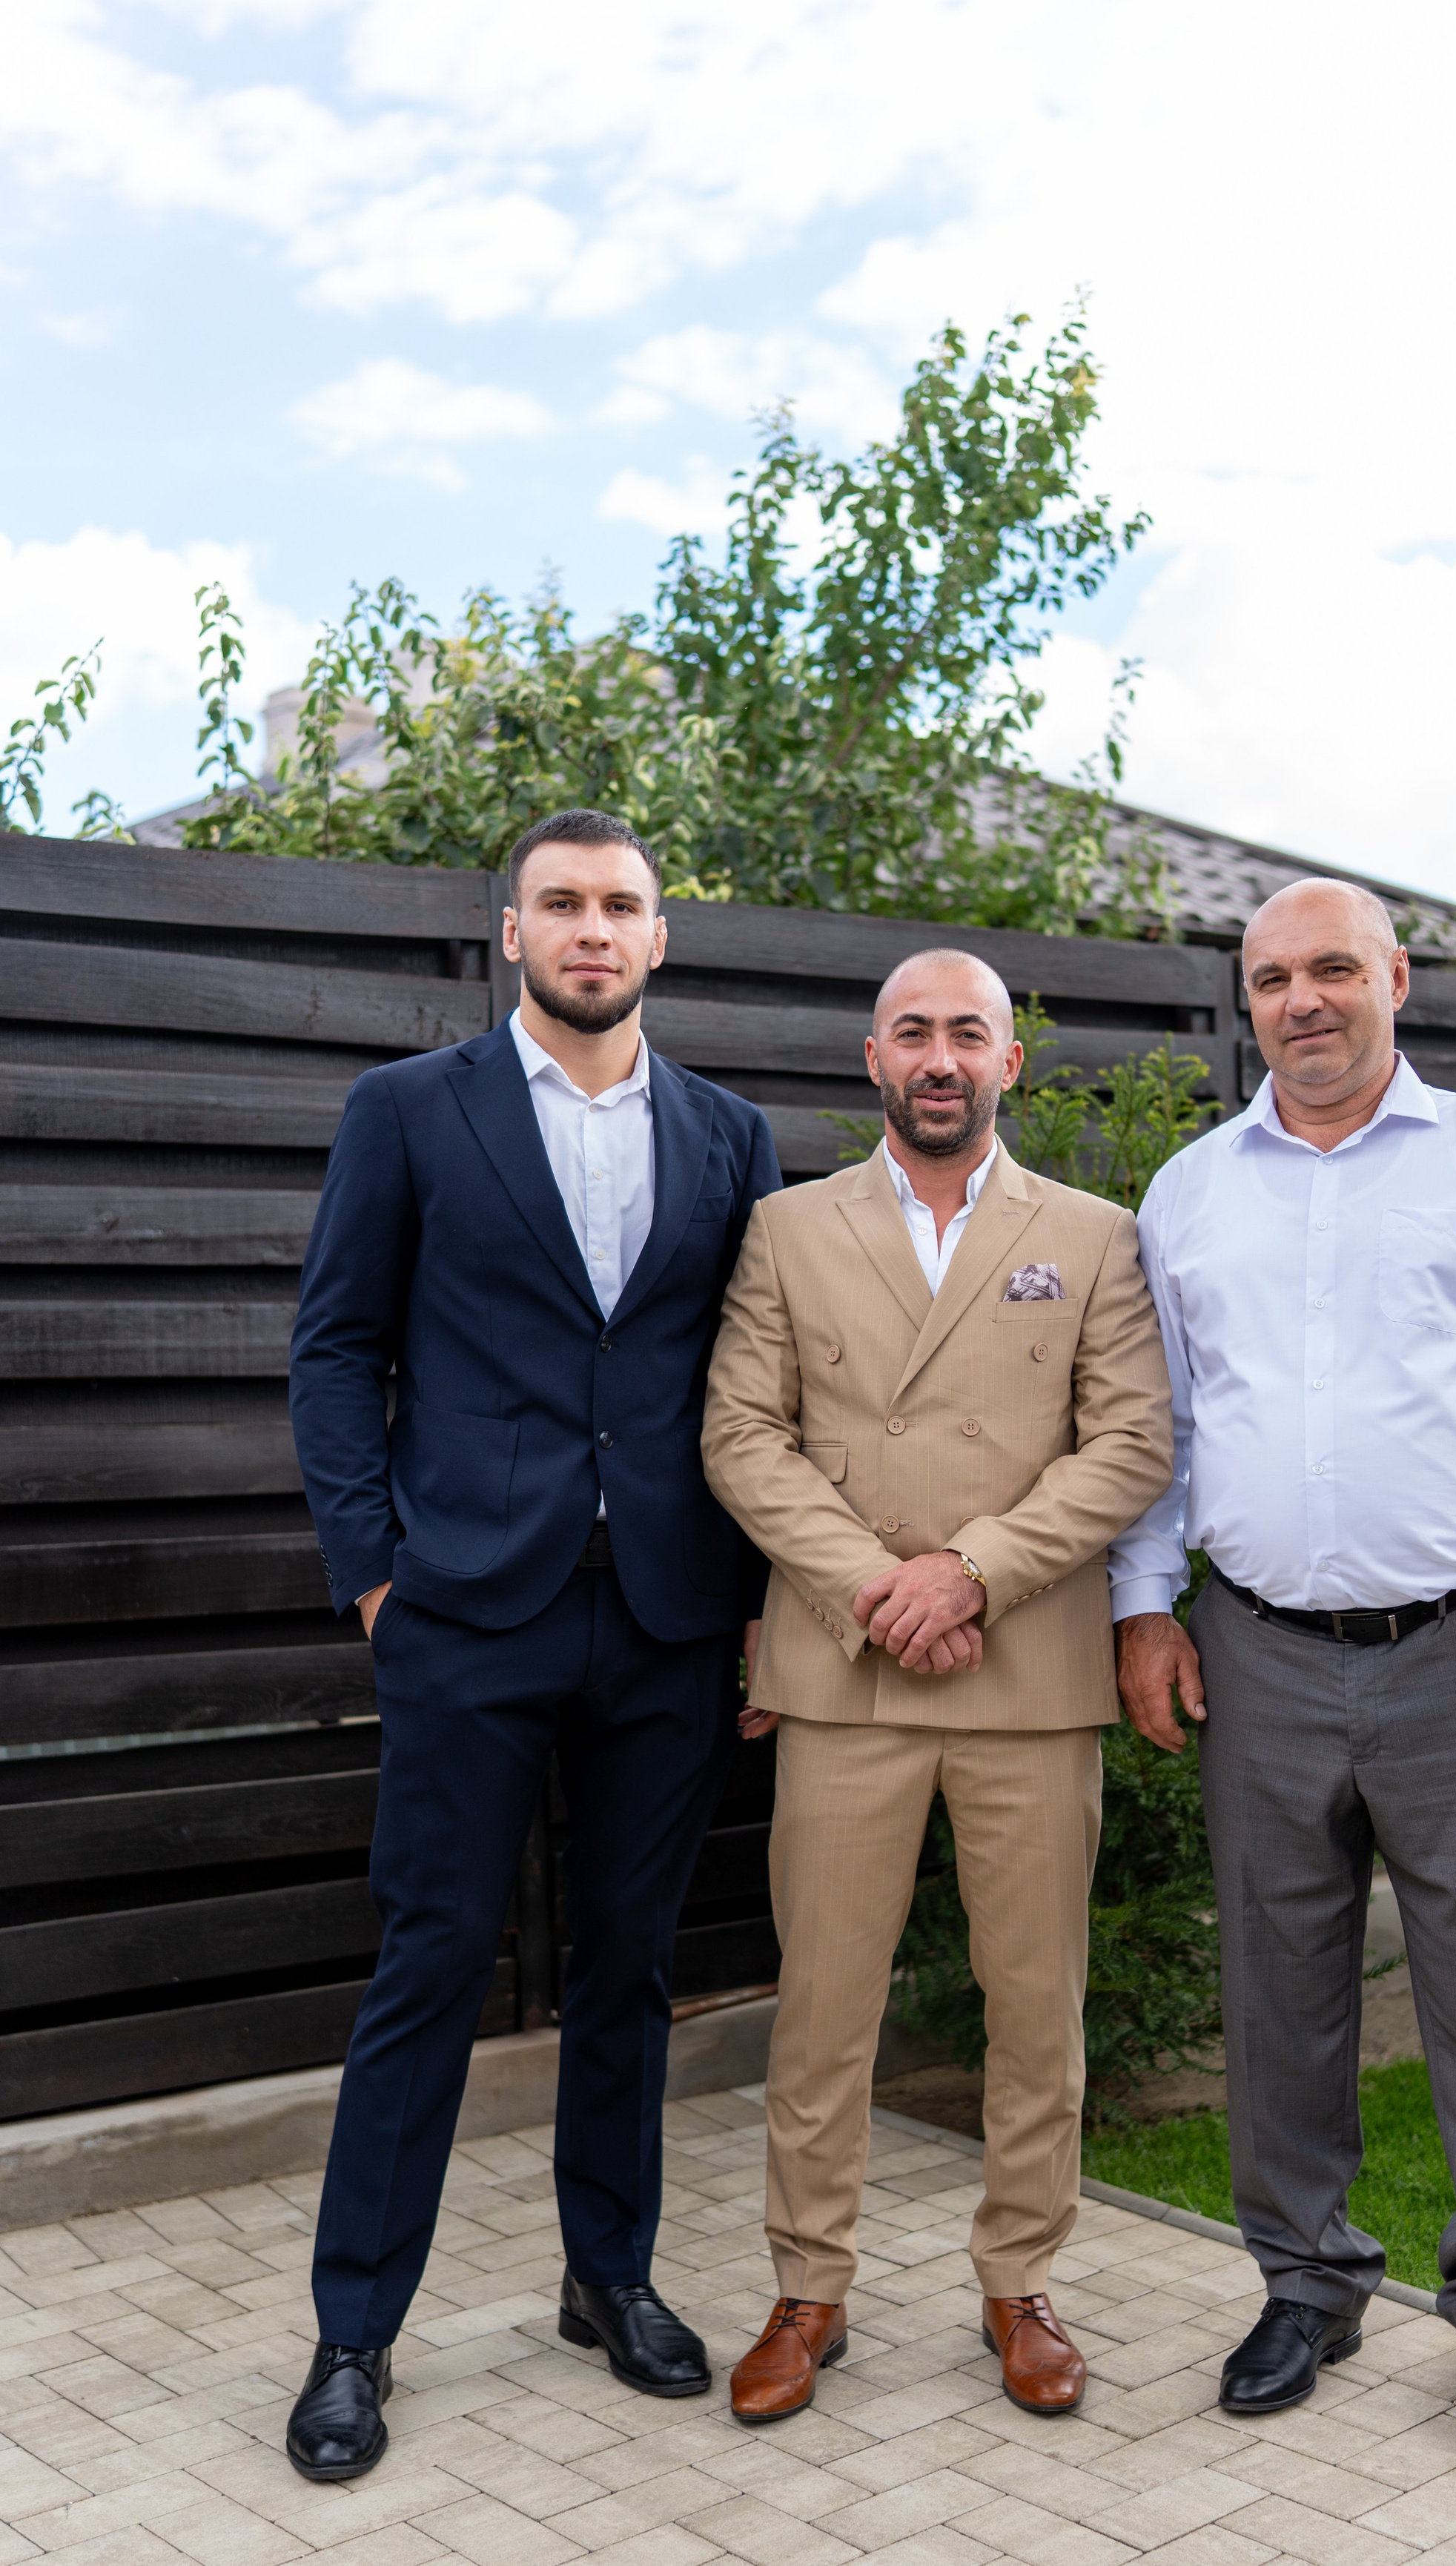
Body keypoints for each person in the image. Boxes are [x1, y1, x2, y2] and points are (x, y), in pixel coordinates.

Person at [1111, 879, 1456, 2452]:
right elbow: (1166, 1434)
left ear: (1392, 978)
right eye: (1270, 977)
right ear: (1246, 1001)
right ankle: (1304, 2281)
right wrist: (1146, 1608)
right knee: (1276, 1992)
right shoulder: (1190, 1192)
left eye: (1330, 968)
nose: (1301, 1001)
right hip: (1255, 1651)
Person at [282, 809, 781, 2480]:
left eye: (619, 906)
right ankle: (355, 2335)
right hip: (464, 1613)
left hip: (664, 1614)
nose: (590, 929)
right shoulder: (406, 1113)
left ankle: (608, 2275)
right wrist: (374, 1576)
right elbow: (337, 1349)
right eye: (559, 904)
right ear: (508, 933)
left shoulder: (728, 1136)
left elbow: (750, 1383)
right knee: (426, 1969)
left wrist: (764, 1597)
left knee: (628, 1970)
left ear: (658, 938)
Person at [699, 948, 1174, 2423]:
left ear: (1008, 1064)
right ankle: (806, 2289)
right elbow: (739, 1438)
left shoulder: (1093, 1238)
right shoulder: (785, 1229)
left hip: (1021, 1669)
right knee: (821, 2008)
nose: (939, 1057)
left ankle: (1018, 2283)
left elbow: (1129, 1446)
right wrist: (874, 1589)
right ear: (872, 1060)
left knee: (1035, 2005)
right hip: (843, 1673)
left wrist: (965, 1572)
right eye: (913, 1032)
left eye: (967, 1032)